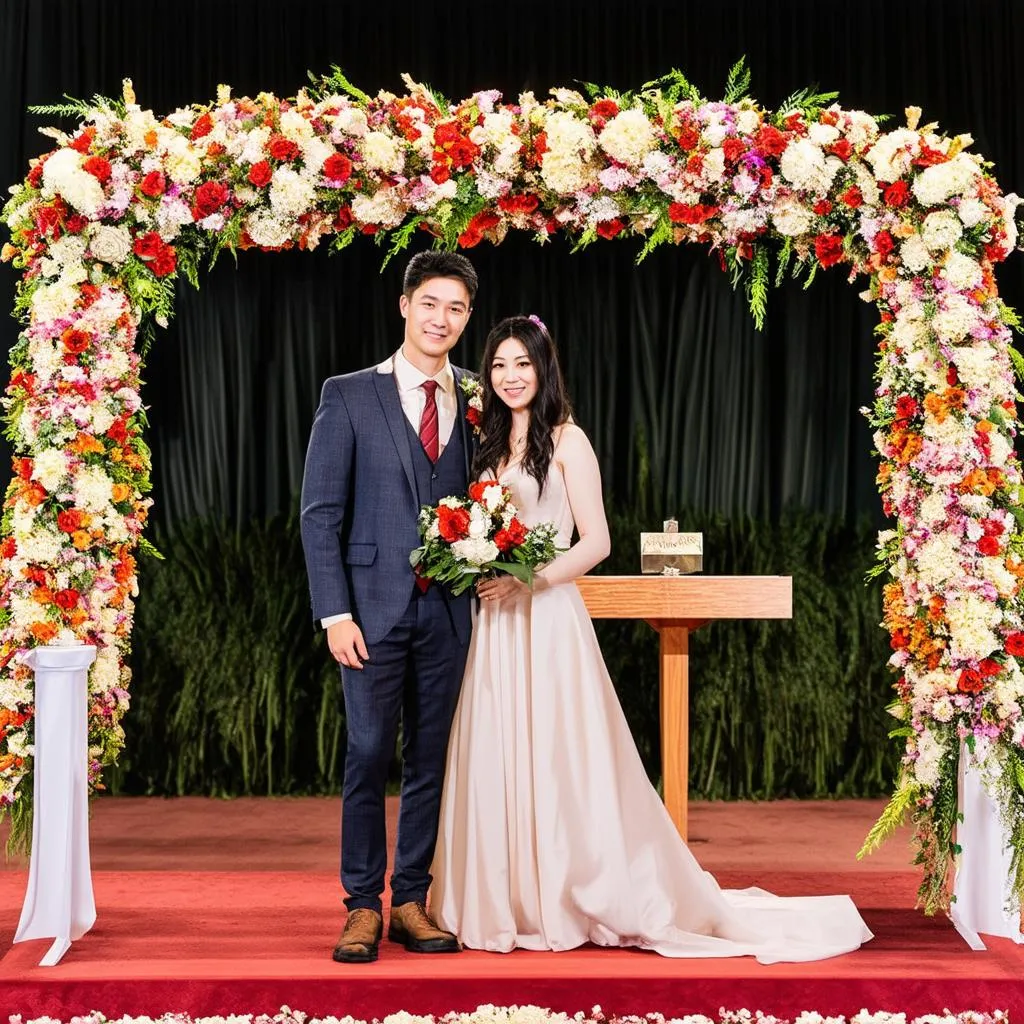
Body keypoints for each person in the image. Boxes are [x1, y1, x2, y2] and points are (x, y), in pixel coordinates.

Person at [430, 314, 873, 961]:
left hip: (547, 615)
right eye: (498, 365)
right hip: (496, 623)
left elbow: (598, 541)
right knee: (499, 747)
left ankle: (569, 892)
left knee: (559, 754)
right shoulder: (487, 446)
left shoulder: (568, 439)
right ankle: (505, 898)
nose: (509, 376)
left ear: (543, 368)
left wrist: (528, 581)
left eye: (521, 363)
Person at [300, 251, 479, 963]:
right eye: (431, 303)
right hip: (368, 611)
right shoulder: (347, 394)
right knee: (369, 753)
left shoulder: (478, 394)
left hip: (453, 611)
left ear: (467, 319)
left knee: (431, 758)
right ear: (404, 305)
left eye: (457, 308)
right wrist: (333, 613)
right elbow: (319, 516)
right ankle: (360, 906)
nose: (442, 319)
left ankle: (410, 900)